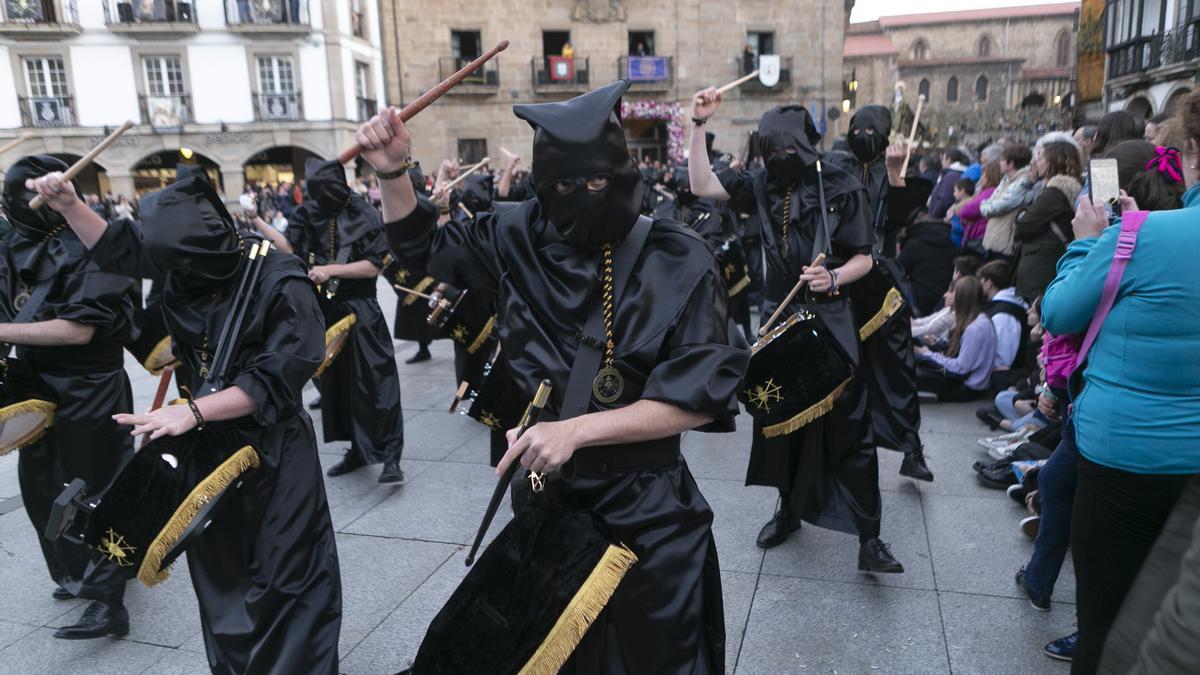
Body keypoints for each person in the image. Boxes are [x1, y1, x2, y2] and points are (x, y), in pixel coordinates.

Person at [375, 80, 747, 672]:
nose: (585, 197)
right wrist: (393, 171)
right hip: (546, 502)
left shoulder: (680, 257)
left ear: (624, 171)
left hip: (643, 509)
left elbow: (698, 399)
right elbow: (424, 248)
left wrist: (575, 431)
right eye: (566, 186)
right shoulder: (515, 233)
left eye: (599, 182)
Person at [26, 169, 343, 672]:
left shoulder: (280, 278)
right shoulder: (184, 259)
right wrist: (68, 203)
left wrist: (190, 411)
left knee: (290, 579)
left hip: (273, 451)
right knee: (221, 581)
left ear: (204, 254)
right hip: (203, 445)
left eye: (172, 267)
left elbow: (277, 377)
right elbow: (118, 250)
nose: (163, 274)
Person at [689, 88, 905, 572]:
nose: (779, 159)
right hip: (780, 316)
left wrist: (832, 277)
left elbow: (866, 259)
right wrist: (697, 124)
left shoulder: (840, 181)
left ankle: (870, 538)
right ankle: (787, 511)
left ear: (805, 147)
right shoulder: (762, 183)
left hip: (831, 315)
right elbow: (703, 185)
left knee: (851, 427)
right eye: (771, 151)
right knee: (778, 419)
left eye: (787, 150)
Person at [1041, 88, 1200, 673]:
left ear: (1193, 154)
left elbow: (1058, 313)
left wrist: (1087, 244)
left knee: (1105, 624)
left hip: (1126, 459)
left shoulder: (1141, 236)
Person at [1, 157, 139, 640]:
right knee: (42, 490)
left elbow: (80, 331)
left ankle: (109, 603)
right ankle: (79, 571)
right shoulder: (15, 242)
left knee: (95, 489)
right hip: (36, 387)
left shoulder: (95, 240)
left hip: (92, 387)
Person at [283, 158, 406, 484]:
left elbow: (373, 266)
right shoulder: (309, 213)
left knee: (380, 384)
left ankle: (391, 456)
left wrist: (331, 270)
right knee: (340, 388)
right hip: (328, 312)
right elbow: (288, 246)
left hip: (362, 309)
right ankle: (357, 450)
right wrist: (255, 220)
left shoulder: (363, 212)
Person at [835, 104, 933, 481]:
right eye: (856, 130)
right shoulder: (836, 165)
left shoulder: (896, 167)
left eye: (871, 132)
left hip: (882, 285)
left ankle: (911, 447)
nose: (863, 138)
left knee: (897, 367)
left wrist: (895, 176)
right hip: (841, 280)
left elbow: (900, 219)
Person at [1013, 140, 1083, 303]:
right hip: (1044, 262)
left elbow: (1023, 225)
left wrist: (1024, 214)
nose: (1036, 161)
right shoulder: (1054, 187)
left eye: (1041, 157)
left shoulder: (1056, 191)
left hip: (1041, 267)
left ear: (1054, 160)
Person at [914, 275, 996, 401]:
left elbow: (960, 369)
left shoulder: (975, 328)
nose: (946, 295)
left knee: (911, 372)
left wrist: (927, 354)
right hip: (967, 381)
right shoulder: (978, 319)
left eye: (952, 292)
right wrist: (936, 345)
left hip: (966, 388)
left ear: (961, 298)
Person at [980, 144, 1034, 260]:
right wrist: (986, 204)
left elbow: (999, 206)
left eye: (1002, 160)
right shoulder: (1006, 180)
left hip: (1005, 243)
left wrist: (983, 206)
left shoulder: (1023, 182)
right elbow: (992, 200)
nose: (999, 163)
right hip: (994, 239)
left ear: (1011, 164)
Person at [978, 260, 1028, 371]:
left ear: (988, 283)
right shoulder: (1003, 306)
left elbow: (1003, 358)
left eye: (981, 281)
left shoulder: (1004, 314)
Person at [928, 148, 969, 219]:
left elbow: (945, 200)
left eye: (943, 159)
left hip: (941, 219)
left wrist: (934, 215)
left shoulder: (952, 175)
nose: (941, 162)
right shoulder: (958, 173)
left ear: (949, 160)